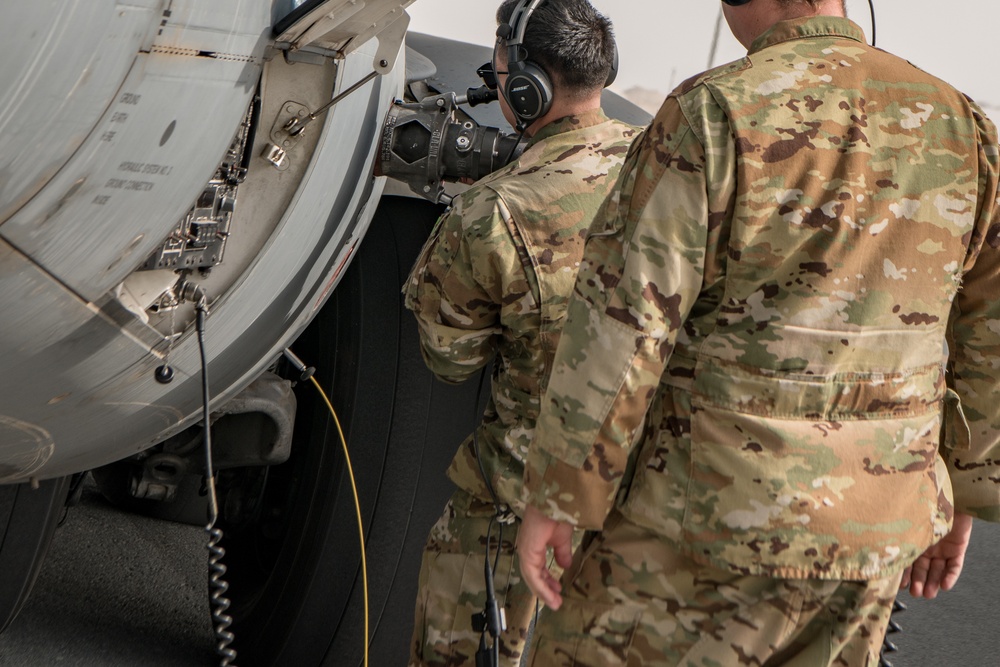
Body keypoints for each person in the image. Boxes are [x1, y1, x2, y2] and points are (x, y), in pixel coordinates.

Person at [517, 0, 1000, 665]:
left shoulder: (712, 113)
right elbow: (990, 341)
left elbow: (623, 324)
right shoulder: (964, 125)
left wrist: (561, 494)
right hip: (877, 532)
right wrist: (966, 498)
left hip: (707, 526)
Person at [403, 1, 639, 665]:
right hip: (643, 518)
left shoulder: (495, 212)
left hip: (514, 515)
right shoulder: (671, 170)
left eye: (500, 68)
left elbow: (448, 357)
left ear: (526, 84)